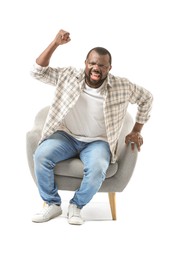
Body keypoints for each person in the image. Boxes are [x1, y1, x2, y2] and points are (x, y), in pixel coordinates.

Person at [30, 29, 153, 225]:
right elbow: (37, 71)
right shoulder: (69, 76)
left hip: (98, 142)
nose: (96, 68)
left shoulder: (122, 86)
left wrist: (136, 130)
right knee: (41, 155)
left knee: (97, 168)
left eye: (102, 65)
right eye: (92, 63)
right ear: (85, 64)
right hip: (67, 136)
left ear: (109, 68)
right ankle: (52, 204)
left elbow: (147, 98)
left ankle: (76, 206)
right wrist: (55, 43)